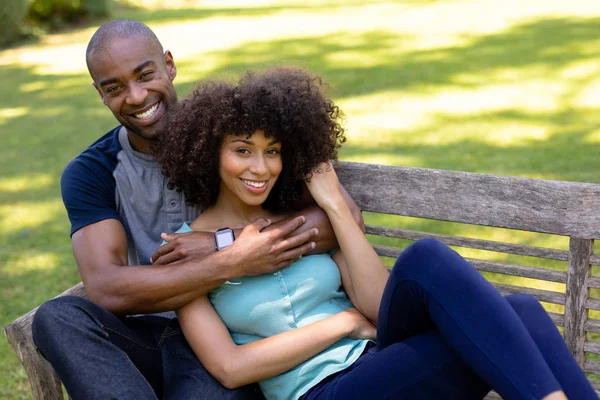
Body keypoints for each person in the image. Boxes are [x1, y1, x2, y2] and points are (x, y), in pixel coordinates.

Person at [152, 66, 599, 400]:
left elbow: (376, 306)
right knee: (511, 317)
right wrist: (343, 323)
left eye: (273, 152)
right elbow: (231, 368)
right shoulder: (186, 257)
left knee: (502, 298)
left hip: (382, 362)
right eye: (242, 151)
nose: (260, 167)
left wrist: (334, 206)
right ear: (210, 153)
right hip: (322, 392)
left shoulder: (304, 223)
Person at [30, 20, 363, 400]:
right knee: (56, 317)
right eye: (115, 88)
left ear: (169, 65)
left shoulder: (229, 133)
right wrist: (231, 258)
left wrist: (222, 242)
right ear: (100, 95)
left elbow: (339, 218)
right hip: (154, 335)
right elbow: (106, 287)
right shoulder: (92, 171)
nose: (136, 96)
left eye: (145, 75)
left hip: (235, 331)